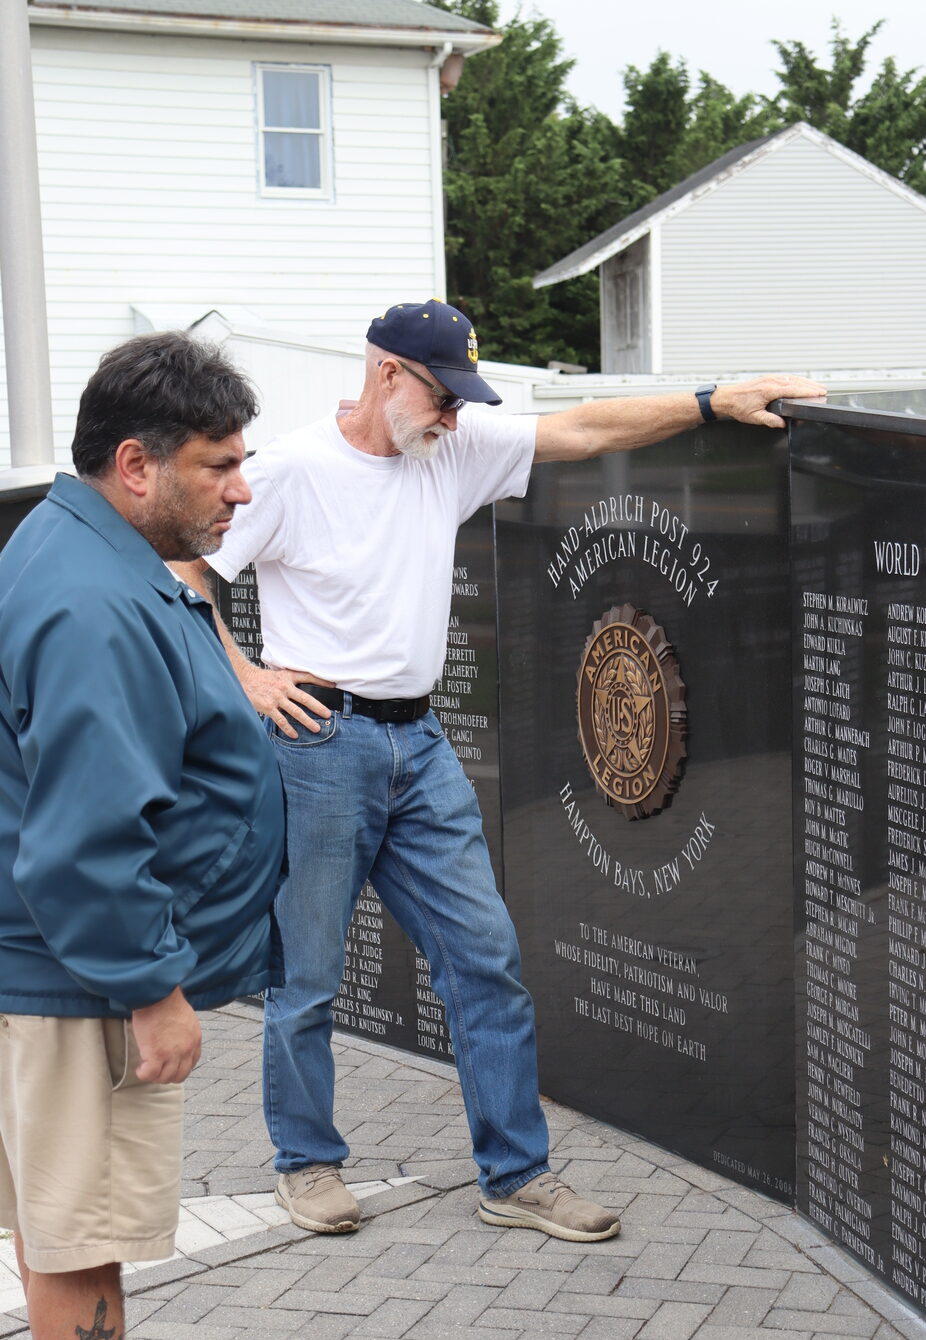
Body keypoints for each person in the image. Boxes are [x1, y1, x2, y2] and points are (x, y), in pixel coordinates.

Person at [177, 299, 826, 1245]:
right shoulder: (288, 473)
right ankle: (307, 1164)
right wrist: (247, 677)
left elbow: (583, 427)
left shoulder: (451, 447)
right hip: (321, 744)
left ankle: (516, 1176)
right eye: (441, 395)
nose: (452, 417)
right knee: (308, 974)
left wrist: (708, 400)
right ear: (386, 373)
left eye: (460, 402)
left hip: (421, 747)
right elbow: (191, 568)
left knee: (486, 961)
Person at [0, 333, 286, 1340]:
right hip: (82, 981)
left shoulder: (90, 552)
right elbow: (87, 835)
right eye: (218, 466)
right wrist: (152, 989)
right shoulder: (91, 602)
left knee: (66, 1217)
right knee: (79, 1230)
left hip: (66, 966)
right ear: (136, 464)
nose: (241, 487)